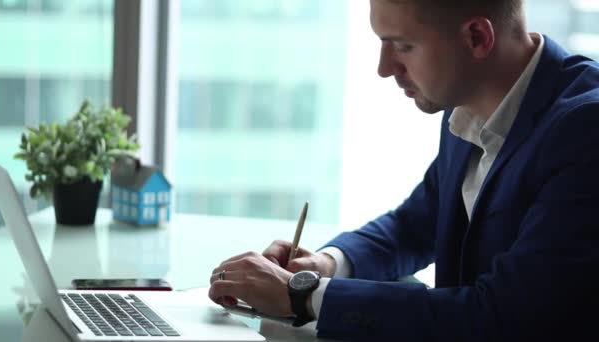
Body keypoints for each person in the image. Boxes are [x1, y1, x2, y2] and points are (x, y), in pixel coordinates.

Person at [208, 0, 599, 340]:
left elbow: (504, 318)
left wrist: (301, 294)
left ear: (478, 37)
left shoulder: (585, 130)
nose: (384, 68)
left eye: (403, 46)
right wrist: (325, 265)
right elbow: (414, 225)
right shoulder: (469, 102)